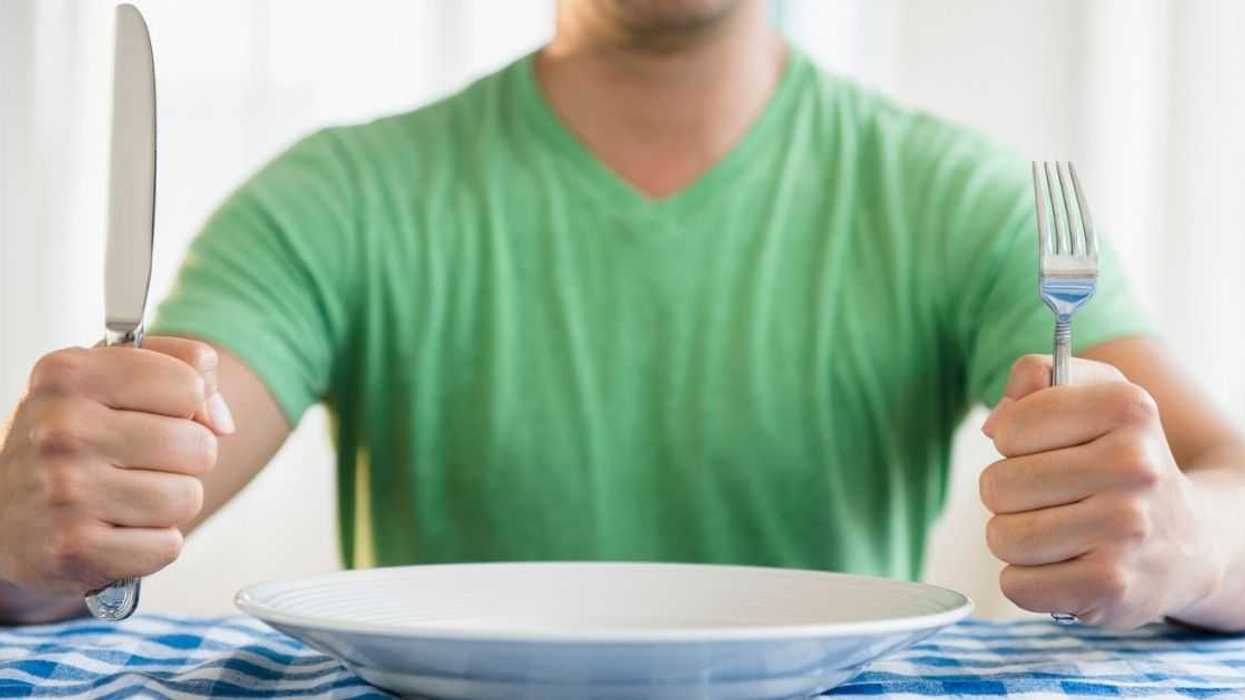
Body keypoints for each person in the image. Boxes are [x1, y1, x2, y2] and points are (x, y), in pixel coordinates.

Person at [2, 0, 1243, 632]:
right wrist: (39, 533)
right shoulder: (337, 198)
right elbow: (120, 502)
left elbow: (1218, 477)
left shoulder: (955, 197)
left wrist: (1185, 541)